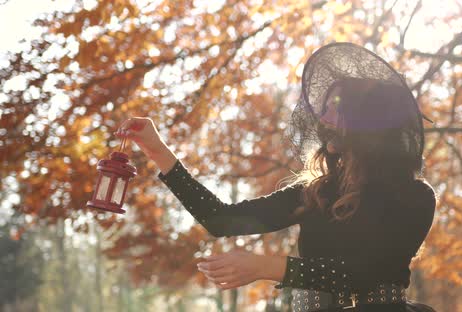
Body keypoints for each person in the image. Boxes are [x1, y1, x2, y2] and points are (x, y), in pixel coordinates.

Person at [115, 42, 438, 312]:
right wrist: (157, 149)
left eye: (335, 108)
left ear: (366, 125)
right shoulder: (317, 192)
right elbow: (222, 220)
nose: (322, 117)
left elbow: (365, 272)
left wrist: (266, 266)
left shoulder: (414, 197)